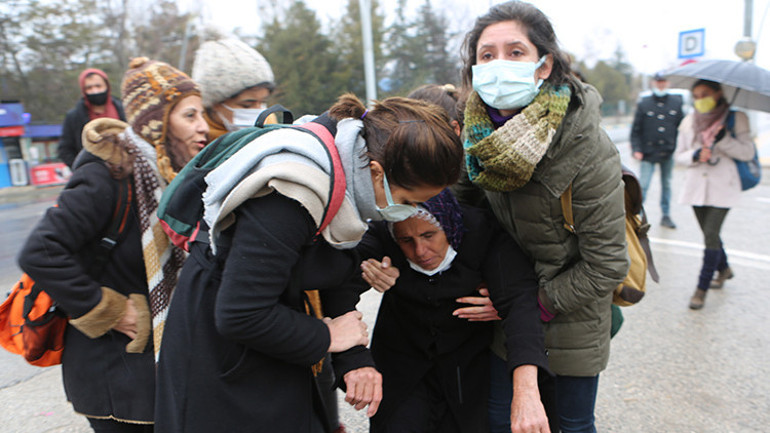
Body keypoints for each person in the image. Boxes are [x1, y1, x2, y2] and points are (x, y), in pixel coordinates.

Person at [154, 93, 465, 433]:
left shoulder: (343, 163)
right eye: (407, 201)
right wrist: (327, 335)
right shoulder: (290, 193)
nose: (406, 213)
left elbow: (331, 266)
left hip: (269, 343)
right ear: (377, 172)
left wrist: (354, 358)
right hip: (222, 365)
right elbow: (241, 313)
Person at [453, 2, 630, 432]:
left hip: (570, 318)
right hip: (507, 310)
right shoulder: (477, 138)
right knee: (502, 421)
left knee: (570, 425)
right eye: (487, 55)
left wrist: (526, 306)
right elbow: (458, 213)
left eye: (515, 52)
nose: (499, 64)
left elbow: (606, 264)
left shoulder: (585, 147)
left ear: (544, 64)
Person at [18, 57, 209, 432]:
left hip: (157, 370)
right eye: (190, 115)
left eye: (202, 114)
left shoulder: (172, 178)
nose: (203, 126)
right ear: (156, 122)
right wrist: (109, 310)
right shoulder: (106, 177)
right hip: (114, 376)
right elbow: (41, 252)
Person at [323, 188, 549, 433]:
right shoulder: (382, 233)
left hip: (466, 369)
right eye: (406, 240)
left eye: (429, 235)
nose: (420, 251)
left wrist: (526, 392)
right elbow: (337, 286)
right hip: (401, 364)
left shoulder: (483, 231)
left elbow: (519, 304)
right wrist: (355, 359)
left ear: (448, 225)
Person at [674, 79, 755, 310]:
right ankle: (724, 269)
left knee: (710, 234)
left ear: (718, 93)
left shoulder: (736, 118)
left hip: (723, 186)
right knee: (711, 234)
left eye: (706, 94)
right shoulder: (689, 120)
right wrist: (695, 154)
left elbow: (747, 152)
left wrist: (724, 140)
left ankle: (701, 289)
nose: (700, 100)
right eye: (696, 96)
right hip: (695, 187)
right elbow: (679, 155)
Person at [191, 38, 278, 141]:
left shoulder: (272, 129)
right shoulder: (192, 139)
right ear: (215, 104)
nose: (258, 111)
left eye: (263, 102)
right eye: (247, 105)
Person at [630, 72, 685, 229]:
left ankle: (666, 215)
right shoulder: (645, 103)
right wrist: (636, 149)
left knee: (666, 184)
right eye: (658, 82)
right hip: (648, 152)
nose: (661, 85)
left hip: (668, 151)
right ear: (654, 83)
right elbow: (636, 129)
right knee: (643, 185)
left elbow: (682, 128)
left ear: (668, 83)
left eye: (663, 82)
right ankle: (637, 215)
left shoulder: (676, 102)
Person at [58, 68, 127, 168]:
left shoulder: (124, 110)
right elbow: (65, 149)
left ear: (107, 86)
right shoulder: (74, 117)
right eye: (89, 88)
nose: (95, 91)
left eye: (98, 86)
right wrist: (81, 169)